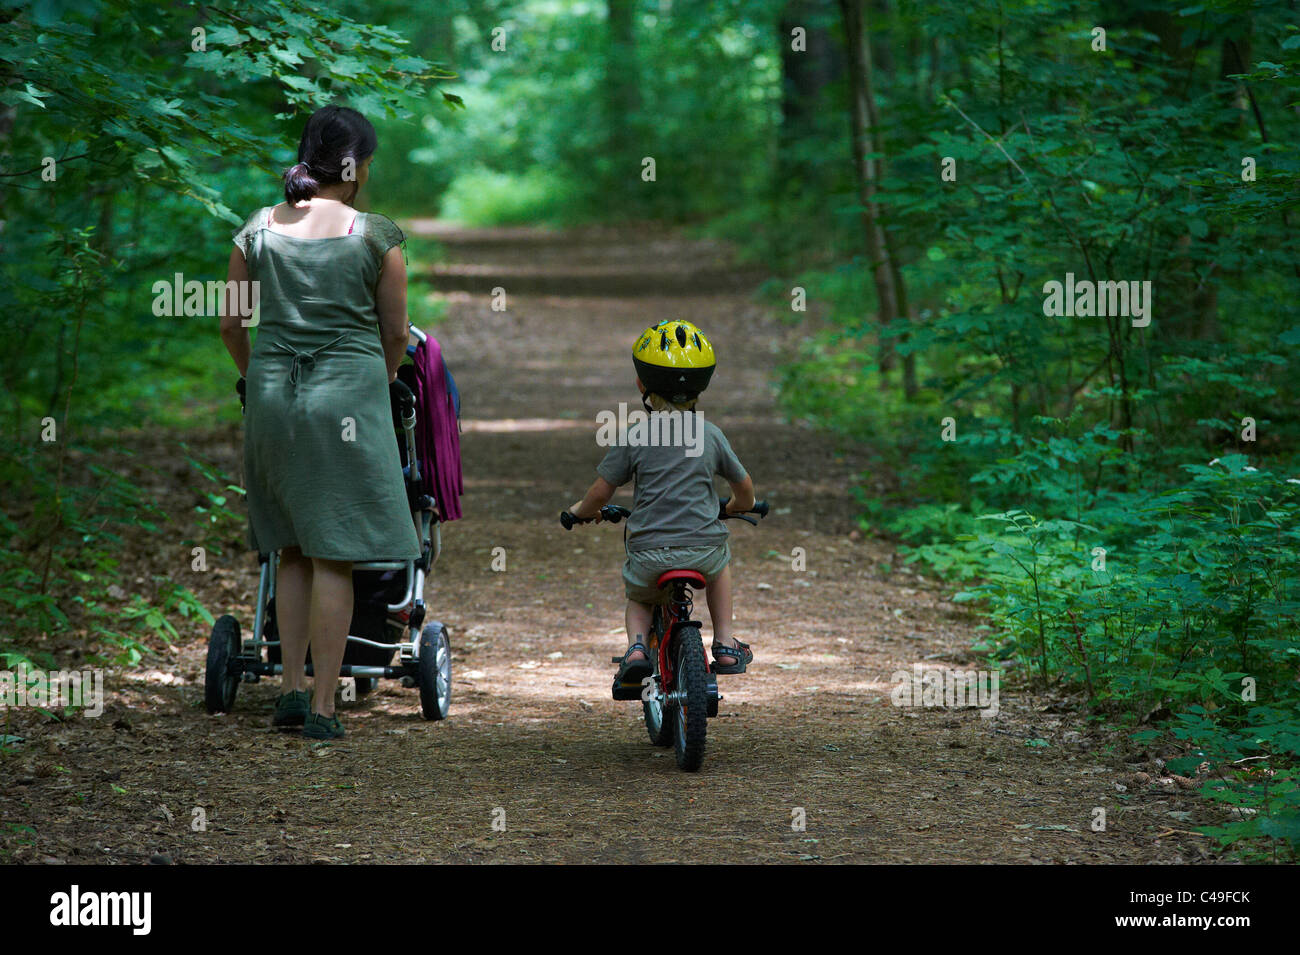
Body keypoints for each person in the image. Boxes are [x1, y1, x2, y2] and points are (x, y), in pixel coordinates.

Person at [219, 105, 420, 740]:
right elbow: (395, 333)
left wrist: (257, 376)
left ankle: (290, 692)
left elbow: (230, 325)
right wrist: (381, 381)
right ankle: (327, 709)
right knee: (336, 555)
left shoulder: (256, 229)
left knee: (293, 549)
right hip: (349, 403)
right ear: (356, 167)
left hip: (275, 397)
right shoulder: (375, 235)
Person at [566, 320, 757, 683]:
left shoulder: (635, 434)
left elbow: (601, 492)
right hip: (703, 549)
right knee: (721, 568)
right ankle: (726, 643)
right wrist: (736, 506)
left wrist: (580, 512)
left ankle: (637, 648)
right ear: (703, 386)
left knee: (640, 597)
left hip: (649, 554)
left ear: (642, 384)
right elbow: (744, 487)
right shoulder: (710, 434)